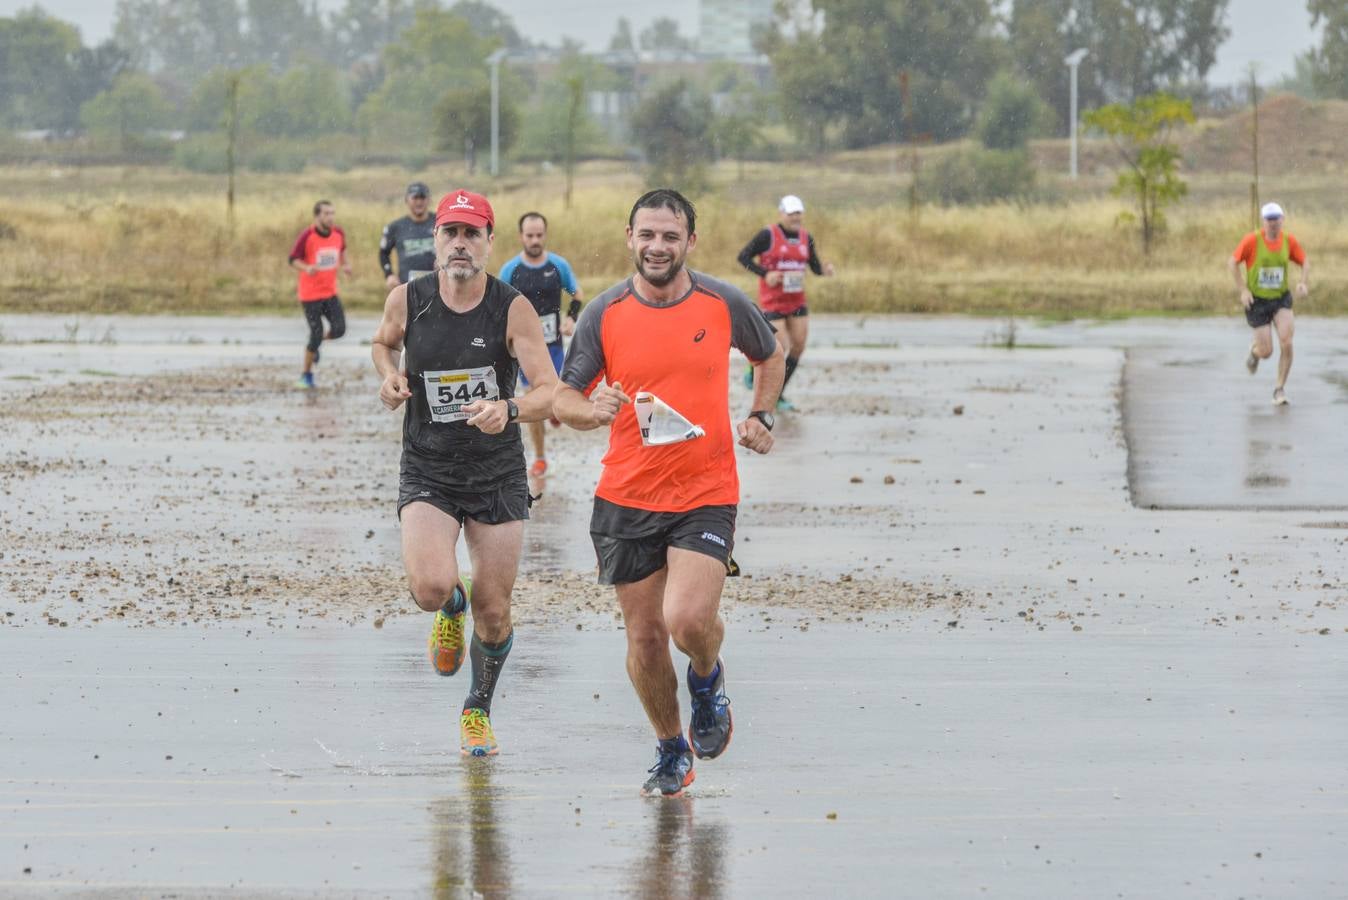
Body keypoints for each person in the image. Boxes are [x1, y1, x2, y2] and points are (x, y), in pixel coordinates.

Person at [554, 189, 785, 797]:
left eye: (670, 236)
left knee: (686, 620)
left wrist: (761, 416)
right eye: (648, 235)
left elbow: (770, 355)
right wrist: (589, 409)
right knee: (646, 637)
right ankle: (670, 748)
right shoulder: (604, 313)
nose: (658, 246)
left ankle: (706, 677)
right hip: (626, 496)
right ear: (630, 237)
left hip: (705, 489)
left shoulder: (722, 302)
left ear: (690, 242)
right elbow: (564, 397)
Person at [370, 189, 558, 757]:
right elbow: (382, 344)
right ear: (435, 239)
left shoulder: (511, 307)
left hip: (496, 472)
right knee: (431, 588)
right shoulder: (408, 298)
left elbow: (549, 390)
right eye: (450, 232)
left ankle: (477, 710)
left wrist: (510, 409)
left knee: (494, 613)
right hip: (428, 465)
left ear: (488, 242)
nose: (459, 243)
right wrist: (388, 376)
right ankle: (453, 606)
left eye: (471, 234)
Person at [499, 211, 585, 479]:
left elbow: (577, 295)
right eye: (530, 235)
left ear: (545, 235)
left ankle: (555, 409)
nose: (535, 240)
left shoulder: (558, 265)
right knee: (534, 400)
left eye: (539, 235)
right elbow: (498, 306)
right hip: (525, 348)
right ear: (521, 236)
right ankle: (539, 458)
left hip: (554, 345)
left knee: (556, 394)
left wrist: (570, 319)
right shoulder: (511, 270)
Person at [736, 194, 835, 412]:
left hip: (797, 300)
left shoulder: (806, 237)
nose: (795, 217)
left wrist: (825, 270)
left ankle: (779, 394)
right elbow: (743, 257)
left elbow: (814, 266)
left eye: (798, 213)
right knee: (781, 347)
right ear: (782, 214)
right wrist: (766, 274)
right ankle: (753, 369)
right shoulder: (768, 235)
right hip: (773, 301)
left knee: (798, 347)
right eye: (791, 213)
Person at [1228, 201, 1310, 405]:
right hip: (1258, 301)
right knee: (1266, 352)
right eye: (1269, 219)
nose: (1273, 223)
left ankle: (1279, 390)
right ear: (1263, 221)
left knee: (1287, 342)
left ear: (1282, 220)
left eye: (1276, 219)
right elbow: (1232, 262)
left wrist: (1302, 282)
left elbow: (1304, 261)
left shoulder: (1288, 241)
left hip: (1281, 299)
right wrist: (1243, 290)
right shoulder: (1252, 241)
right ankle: (1255, 352)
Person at [288, 200, 351, 389]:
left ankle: (315, 345)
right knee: (316, 333)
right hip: (310, 295)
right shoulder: (307, 235)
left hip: (330, 293)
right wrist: (306, 268)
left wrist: (346, 264)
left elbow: (342, 249)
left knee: (339, 330)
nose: (330, 217)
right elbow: (292, 259)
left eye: (332, 213)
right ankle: (305, 376)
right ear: (317, 216)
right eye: (326, 213)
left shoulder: (338, 233)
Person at [380, 181, 437, 288]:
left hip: (437, 285)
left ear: (429, 200)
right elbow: (383, 253)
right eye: (415, 198)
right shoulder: (395, 227)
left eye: (422, 198)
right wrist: (389, 275)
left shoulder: (440, 223)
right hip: (406, 287)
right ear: (406, 200)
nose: (419, 202)